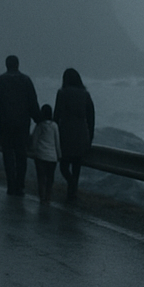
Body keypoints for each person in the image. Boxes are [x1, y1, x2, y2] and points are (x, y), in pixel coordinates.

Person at [0, 55, 40, 196]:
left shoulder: (1, 80)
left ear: (6, 65)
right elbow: (33, 103)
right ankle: (20, 185)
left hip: (6, 123)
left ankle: (11, 184)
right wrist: (40, 120)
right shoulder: (26, 80)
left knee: (8, 155)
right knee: (21, 155)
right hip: (22, 124)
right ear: (18, 65)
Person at [53, 67, 95, 201]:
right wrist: (90, 137)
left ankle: (70, 184)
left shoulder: (62, 93)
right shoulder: (85, 94)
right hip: (81, 134)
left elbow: (56, 115)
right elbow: (91, 118)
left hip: (65, 133)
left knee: (64, 165)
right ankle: (73, 192)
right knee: (77, 165)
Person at [30, 103, 62, 202]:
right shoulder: (55, 126)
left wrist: (33, 150)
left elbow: (34, 139)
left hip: (40, 155)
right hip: (52, 157)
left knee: (41, 177)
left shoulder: (40, 125)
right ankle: (48, 196)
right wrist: (59, 155)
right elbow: (57, 142)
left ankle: (42, 195)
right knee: (50, 178)